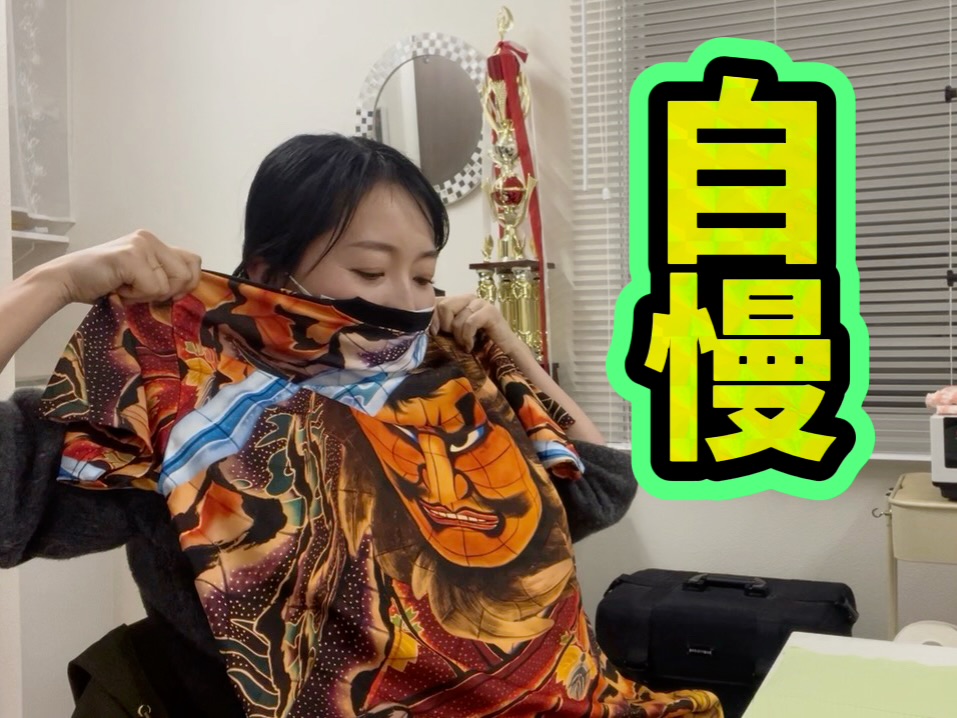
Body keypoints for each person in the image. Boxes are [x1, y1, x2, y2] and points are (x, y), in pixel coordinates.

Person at [0, 135, 721, 717]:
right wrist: (49, 283)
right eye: (372, 274)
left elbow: (596, 482)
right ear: (270, 275)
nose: (404, 300)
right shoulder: (176, 405)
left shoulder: (441, 381)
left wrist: (506, 348)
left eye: (423, 275)